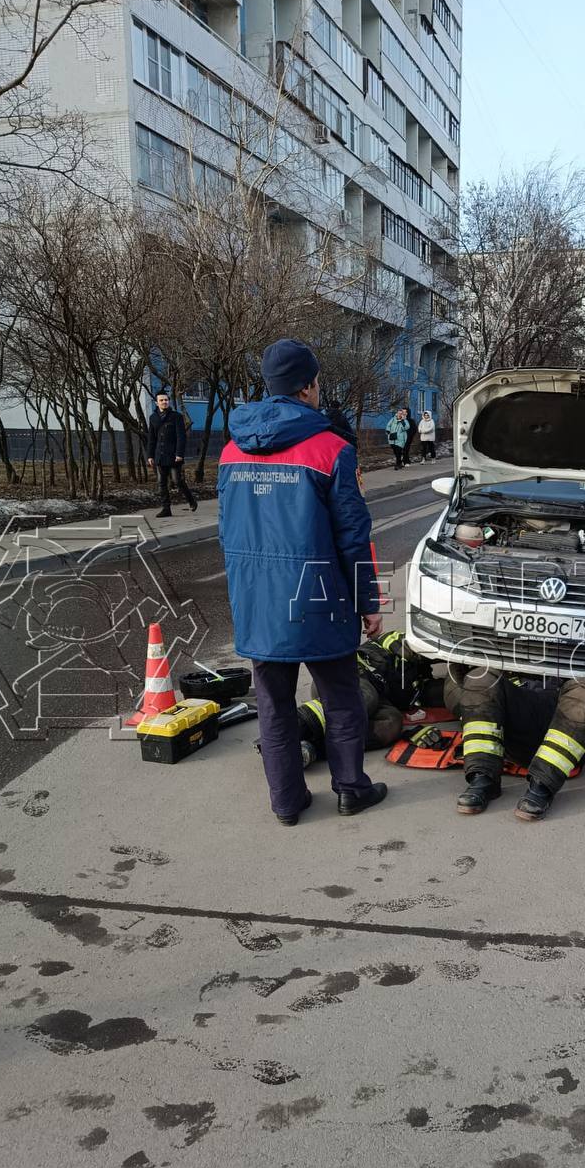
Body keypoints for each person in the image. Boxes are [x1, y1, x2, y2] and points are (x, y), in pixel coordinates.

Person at [218, 338, 387, 825]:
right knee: (340, 698)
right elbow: (354, 538)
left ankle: (286, 803)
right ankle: (351, 788)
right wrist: (368, 602)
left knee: (273, 705)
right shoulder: (332, 450)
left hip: (259, 601)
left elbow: (227, 534)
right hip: (320, 599)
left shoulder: (231, 451)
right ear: (310, 386)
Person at [444, 668, 585, 821]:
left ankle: (542, 785)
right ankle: (483, 778)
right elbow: (458, 691)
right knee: (479, 678)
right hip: (515, 725)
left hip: (571, 732)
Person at [294, 629, 436, 767]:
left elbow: (447, 693)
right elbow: (386, 638)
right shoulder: (405, 643)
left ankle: (310, 749)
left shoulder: (421, 685)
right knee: (367, 695)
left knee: (391, 723)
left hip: (373, 698)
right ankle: (295, 727)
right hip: (346, 676)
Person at [147, 390, 197, 519]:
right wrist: (150, 455)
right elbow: (152, 438)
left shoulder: (176, 416)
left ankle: (191, 500)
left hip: (174, 454)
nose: (164, 402)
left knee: (177, 480)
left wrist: (179, 453)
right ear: (156, 403)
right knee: (161, 483)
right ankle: (166, 509)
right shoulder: (153, 418)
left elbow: (181, 436)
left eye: (166, 400)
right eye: (161, 400)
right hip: (160, 455)